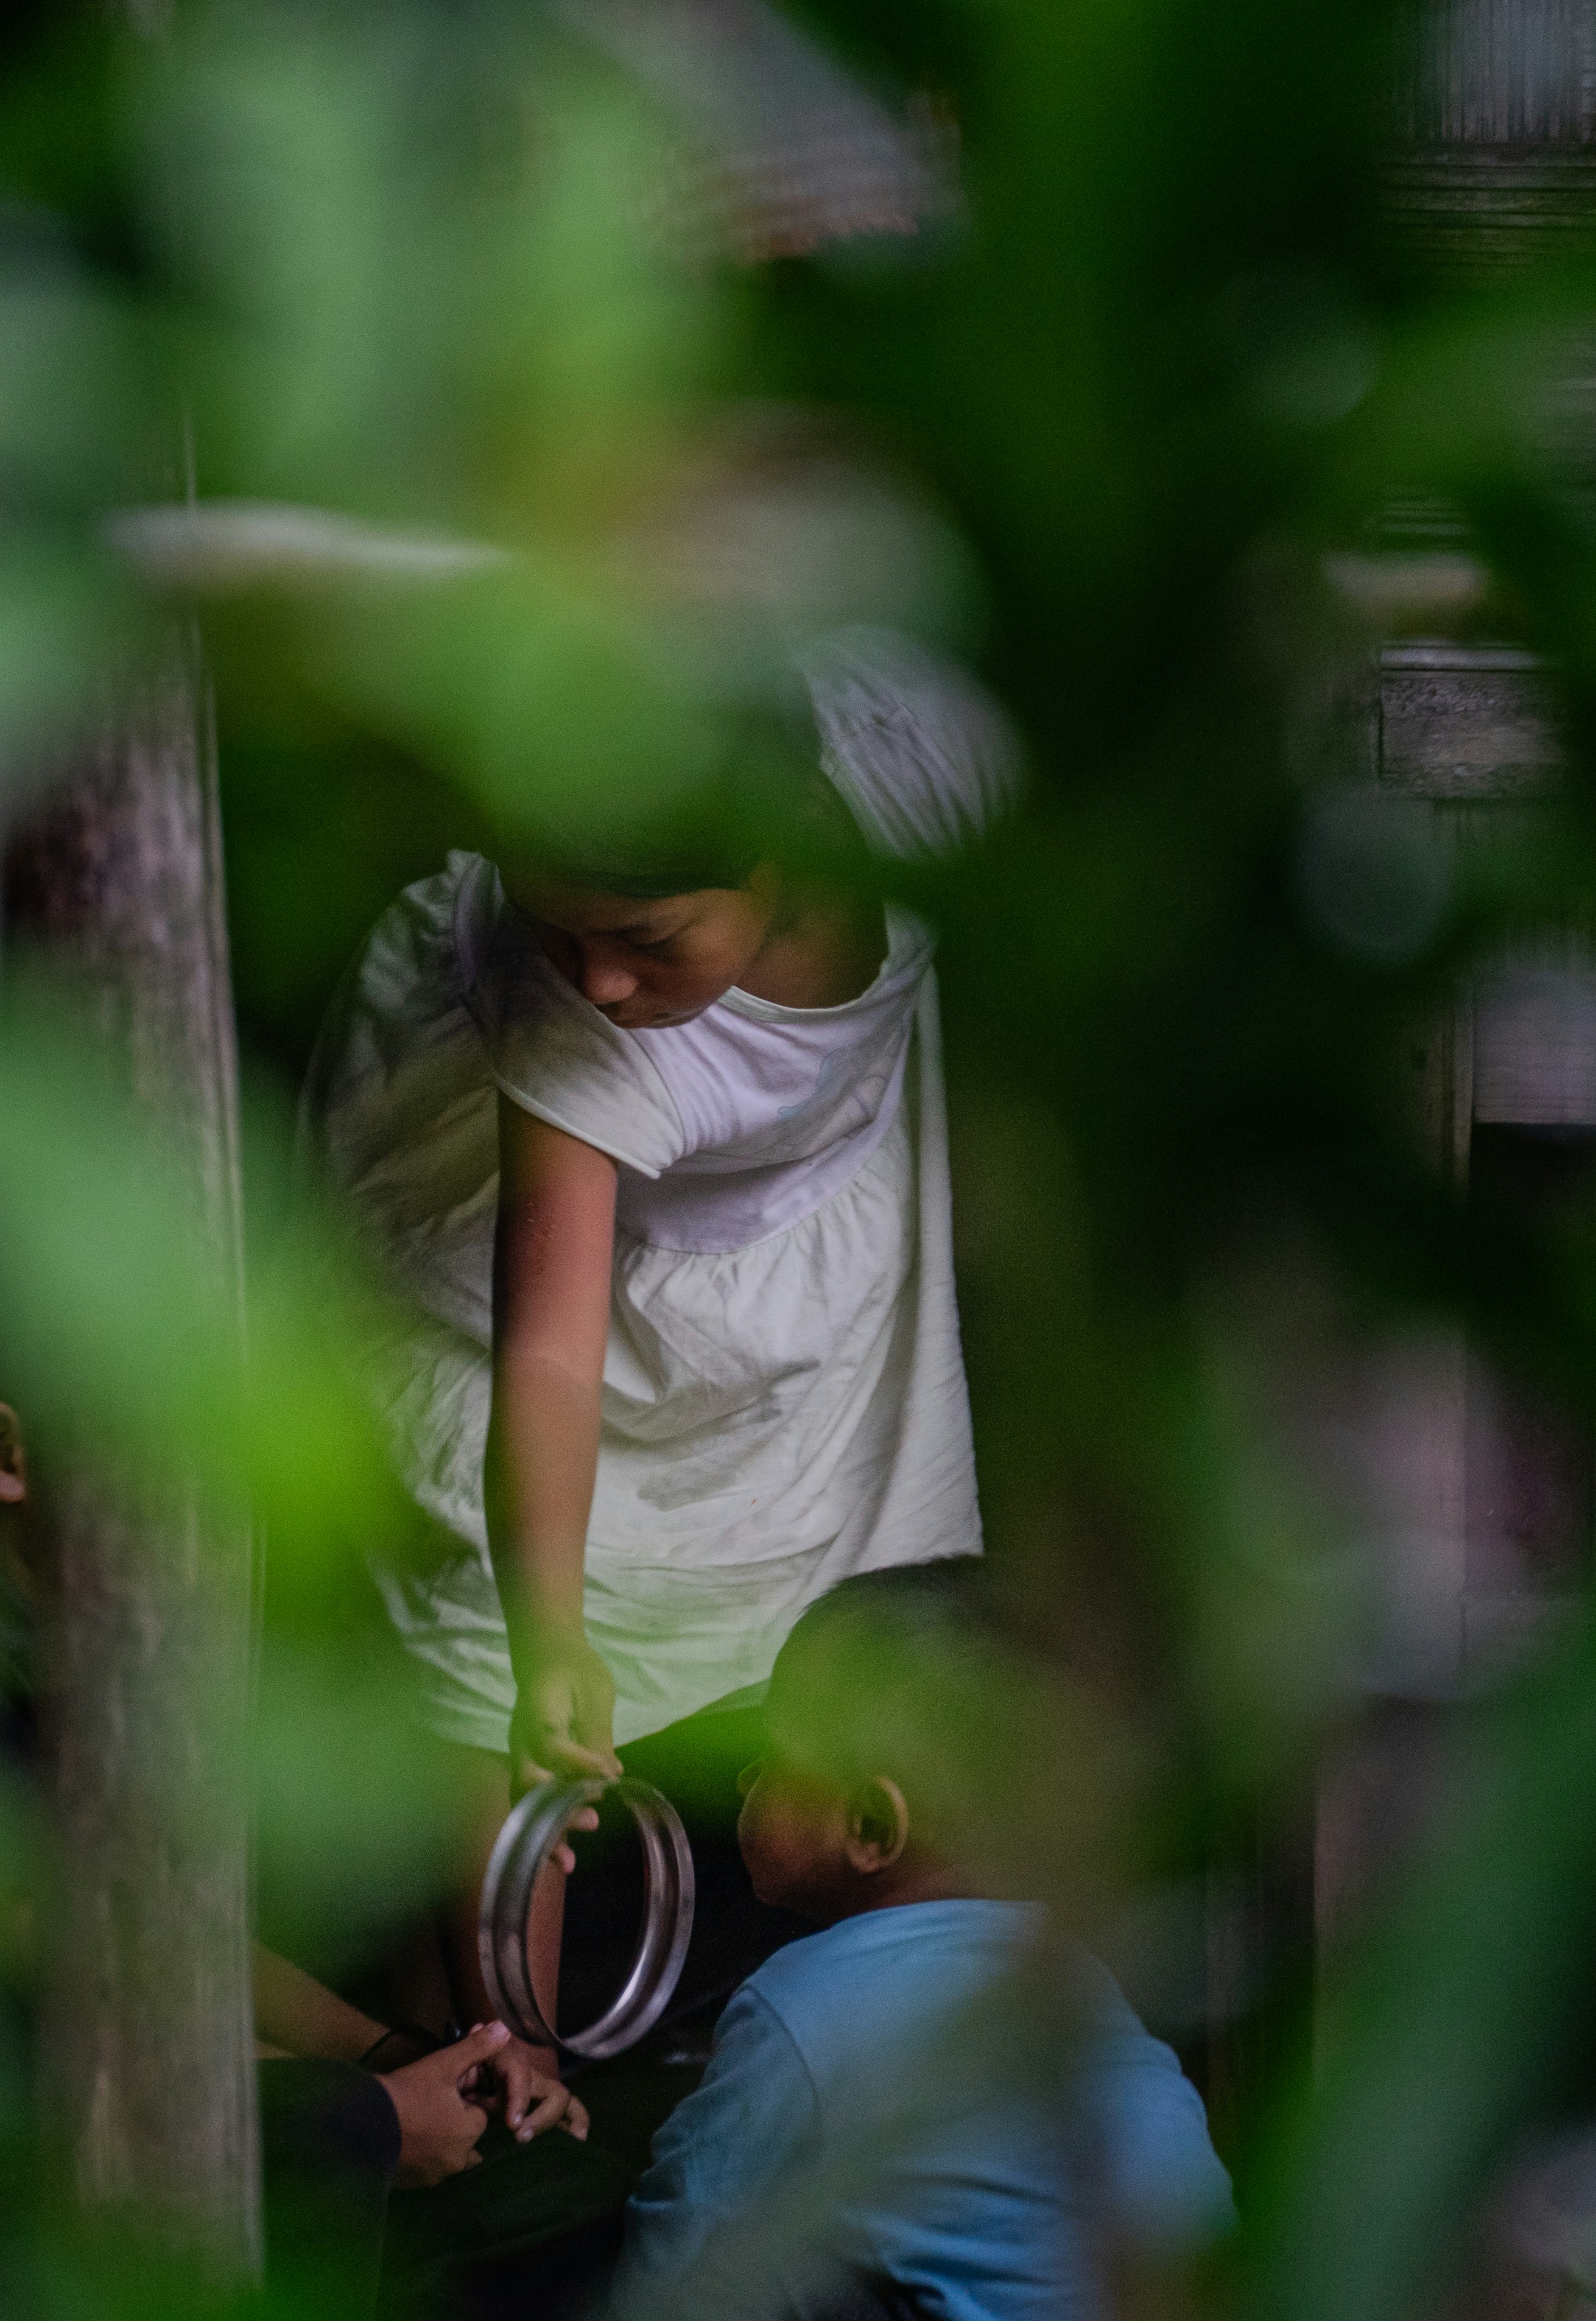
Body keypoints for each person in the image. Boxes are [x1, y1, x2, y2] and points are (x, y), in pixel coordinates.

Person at [309, 636, 1008, 2106]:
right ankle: (509, 2049)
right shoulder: (568, 1006)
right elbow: (547, 1345)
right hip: (518, 1232)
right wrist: (553, 1634)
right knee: (491, 1613)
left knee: (822, 1532)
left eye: (646, 939)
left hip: (787, 1212)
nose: (607, 980)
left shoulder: (913, 780)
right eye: (569, 936)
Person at [0, 1398, 580, 2313]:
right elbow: (41, 1968)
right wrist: (374, 2112)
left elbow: (158, 1928)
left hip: (120, 2072)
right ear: (1, 1453)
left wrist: (399, 2051)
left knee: (546, 2187)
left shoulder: (99, 1650)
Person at [602, 1565, 1233, 2321]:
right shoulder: (1072, 1976)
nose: (745, 1776)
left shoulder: (802, 2003)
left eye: (771, 1751)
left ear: (870, 1824)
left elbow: (675, 2254)